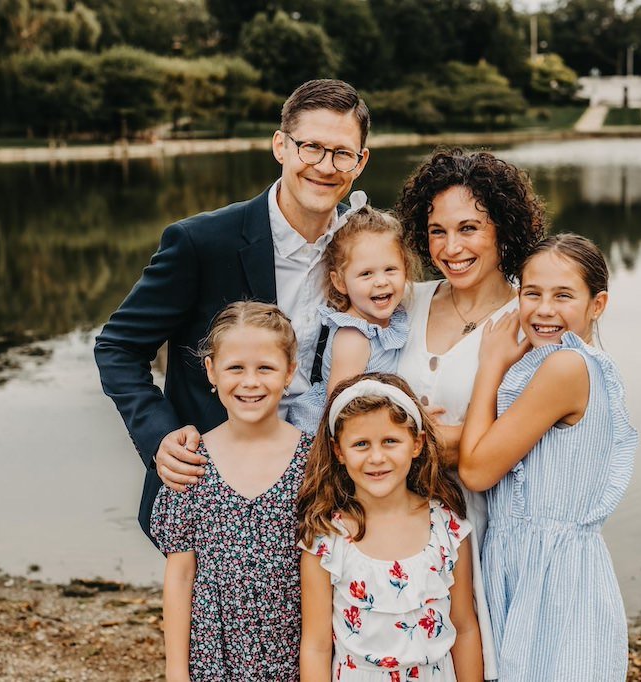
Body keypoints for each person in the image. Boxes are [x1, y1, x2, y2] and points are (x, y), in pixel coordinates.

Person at [94, 79, 370, 541]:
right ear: (280, 146)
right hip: (215, 490)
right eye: (311, 148)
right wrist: (161, 435)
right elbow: (118, 347)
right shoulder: (201, 242)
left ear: (361, 162)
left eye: (341, 153)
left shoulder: (366, 251)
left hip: (330, 488)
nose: (325, 166)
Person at [394, 148, 545, 680]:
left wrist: (415, 436)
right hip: (397, 525)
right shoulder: (402, 302)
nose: (451, 248)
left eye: (468, 228)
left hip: (485, 529)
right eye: (437, 231)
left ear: (503, 229)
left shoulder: (529, 322)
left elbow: (514, 447)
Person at [458, 234, 638, 681]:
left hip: (554, 583)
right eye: (531, 293)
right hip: (532, 565)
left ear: (597, 305)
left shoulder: (565, 368)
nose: (543, 310)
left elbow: (477, 470)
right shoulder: (565, 363)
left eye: (563, 296)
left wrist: (491, 365)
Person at [150, 302, 311, 681]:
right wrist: (177, 671)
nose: (250, 382)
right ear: (211, 371)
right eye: (235, 368)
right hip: (213, 655)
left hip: (292, 650)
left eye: (266, 368)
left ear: (290, 372)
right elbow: (180, 574)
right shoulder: (191, 462)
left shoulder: (313, 461)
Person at [298, 373, 483, 681]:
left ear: (416, 443)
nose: (376, 457)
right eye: (360, 444)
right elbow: (316, 646)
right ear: (339, 451)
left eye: (390, 441)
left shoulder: (446, 529)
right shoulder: (327, 540)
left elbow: (464, 628)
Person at [285, 206, 416, 434]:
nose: (381, 281)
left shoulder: (394, 319)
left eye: (390, 269)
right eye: (366, 274)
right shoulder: (353, 337)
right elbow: (343, 405)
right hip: (341, 435)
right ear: (340, 282)